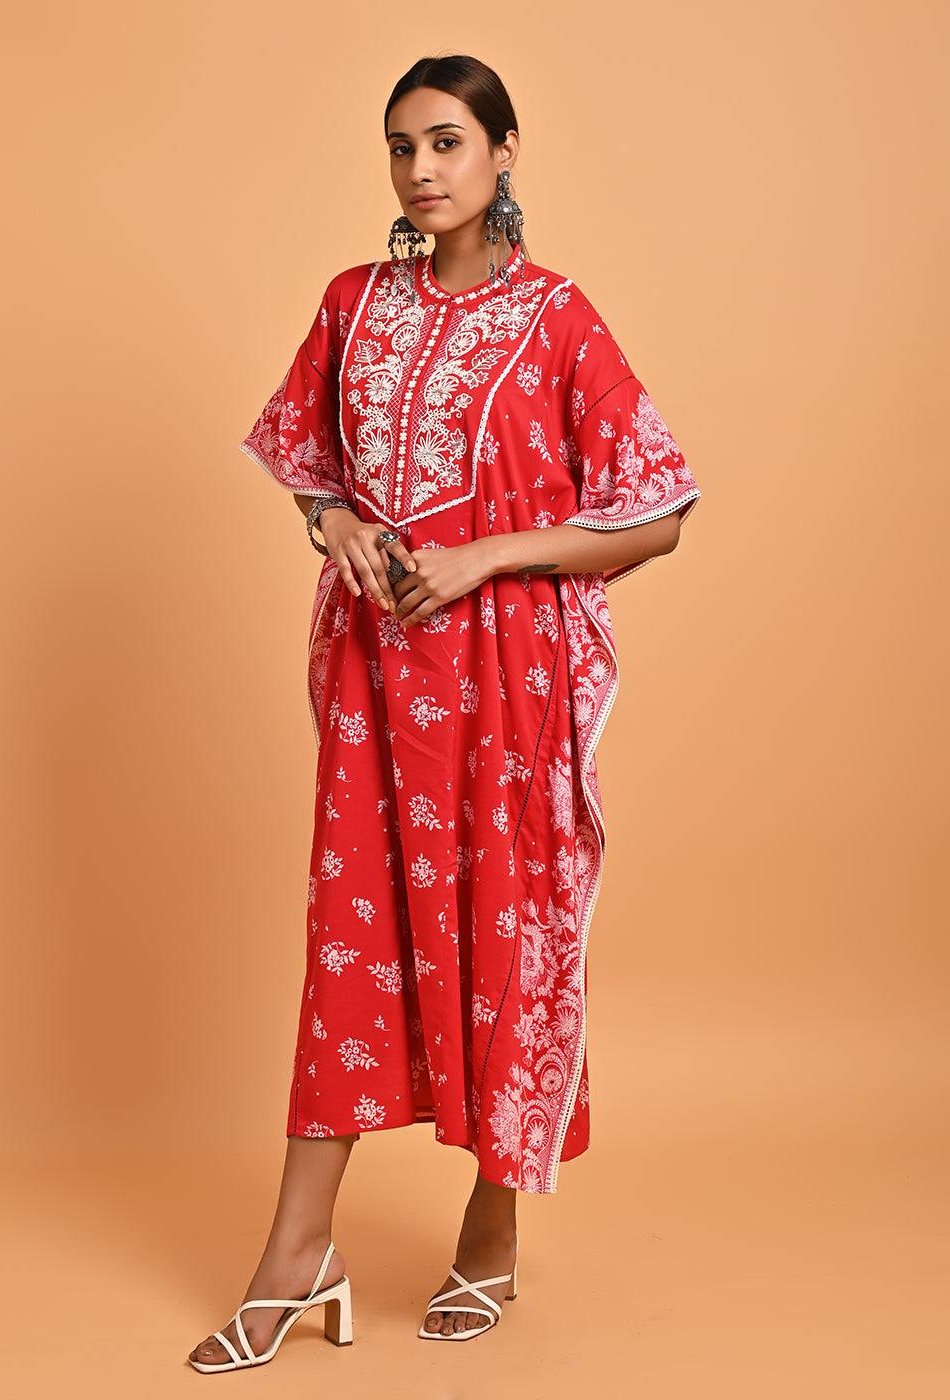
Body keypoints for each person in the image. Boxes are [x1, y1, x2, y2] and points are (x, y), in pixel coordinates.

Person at [188, 52, 702, 1371]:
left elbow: (657, 513)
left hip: (505, 682)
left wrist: (488, 557)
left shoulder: (559, 318)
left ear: (503, 152)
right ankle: (299, 1253)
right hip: (376, 682)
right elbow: (309, 466)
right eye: (402, 147)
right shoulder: (351, 303)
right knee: (353, 947)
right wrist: (338, 526)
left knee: (500, 933)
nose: (422, 170)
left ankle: (491, 1230)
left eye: (448, 142)